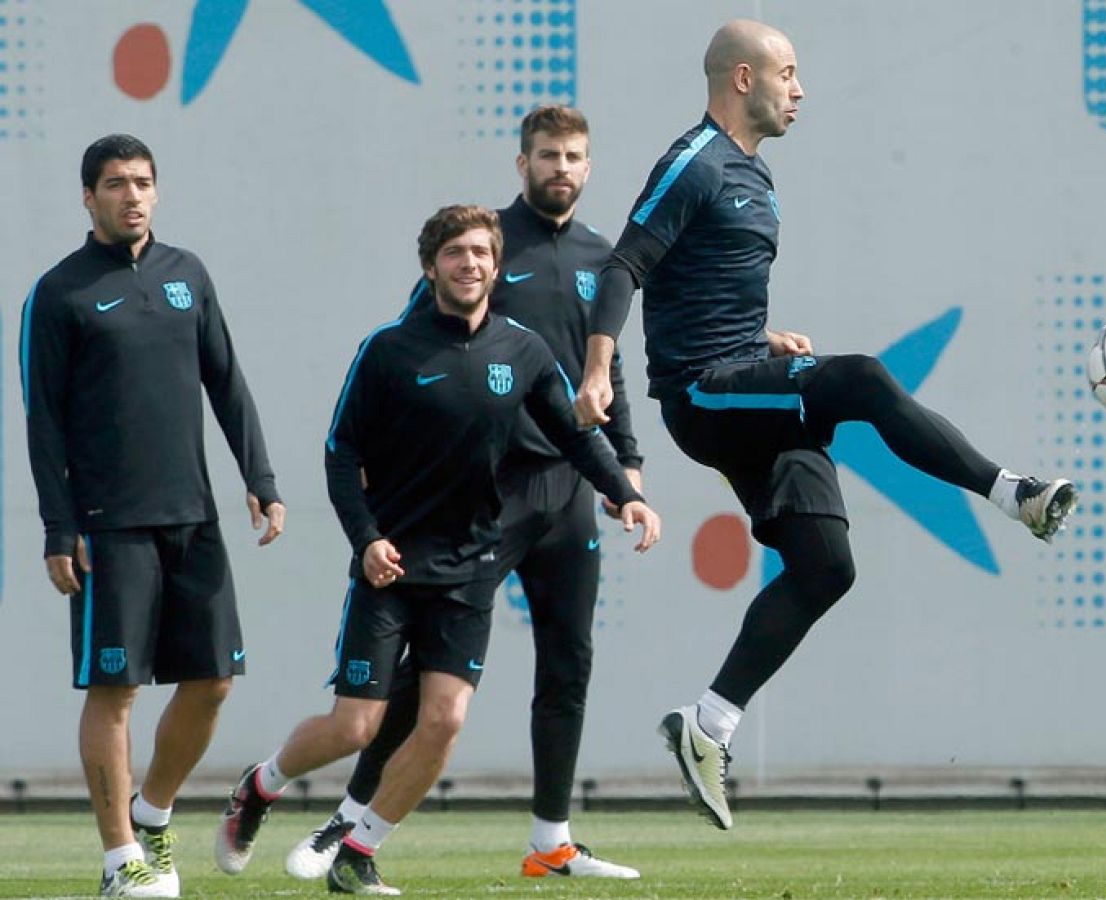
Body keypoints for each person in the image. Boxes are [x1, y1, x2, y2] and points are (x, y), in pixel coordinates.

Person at [570, 19, 1077, 832]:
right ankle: (1011, 491)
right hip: (703, 397)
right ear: (743, 78)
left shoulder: (758, 178)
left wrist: (763, 341)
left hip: (745, 382)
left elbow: (704, 290)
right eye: (788, 73)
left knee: (827, 567)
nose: (800, 89)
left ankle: (708, 726)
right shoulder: (694, 162)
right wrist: (597, 370)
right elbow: (626, 266)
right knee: (864, 378)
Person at [212, 205, 661, 895]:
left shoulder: (523, 350)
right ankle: (261, 786)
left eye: (482, 252)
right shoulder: (389, 350)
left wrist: (624, 490)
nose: (471, 264)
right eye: (455, 253)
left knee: (445, 720)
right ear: (431, 267)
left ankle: (359, 853)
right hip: (390, 569)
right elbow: (340, 455)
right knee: (355, 727)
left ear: (495, 263)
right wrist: (367, 541)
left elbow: (574, 433)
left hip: (470, 567)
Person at [21, 134, 287, 898]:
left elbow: (227, 382)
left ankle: (155, 812)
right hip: (108, 525)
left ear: (157, 192)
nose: (131, 195)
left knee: (213, 681)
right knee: (116, 693)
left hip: (193, 517)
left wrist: (259, 478)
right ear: (88, 197)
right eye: (114, 184)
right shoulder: (59, 293)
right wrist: (58, 528)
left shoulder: (186, 275)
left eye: (142, 182)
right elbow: (43, 424)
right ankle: (119, 857)